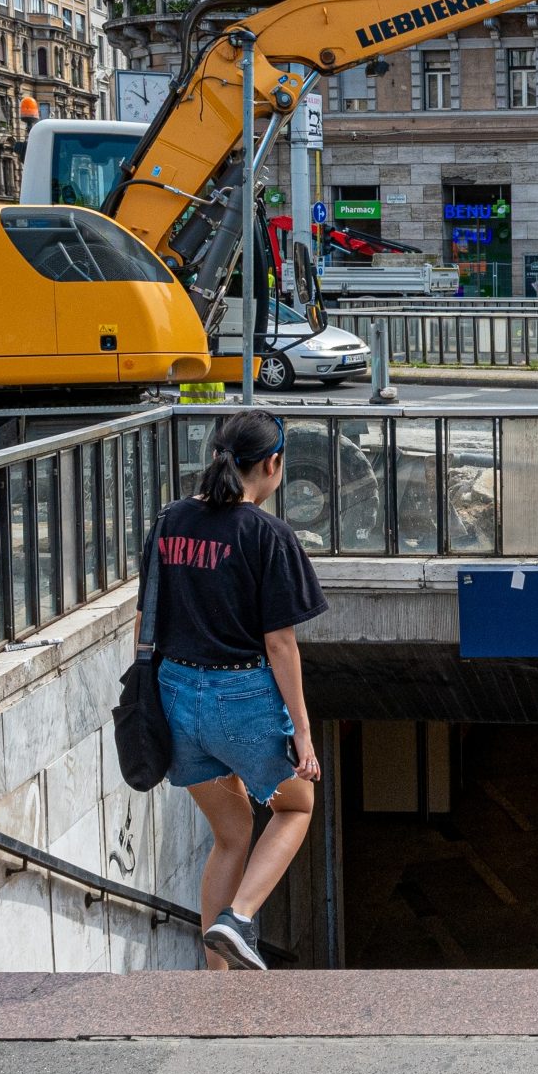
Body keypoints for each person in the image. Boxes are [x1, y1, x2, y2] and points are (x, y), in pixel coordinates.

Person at [151, 411, 327, 971]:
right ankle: (240, 916)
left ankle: (217, 978)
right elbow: (280, 645)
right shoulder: (268, 535)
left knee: (230, 835)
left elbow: (144, 620)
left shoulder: (171, 520)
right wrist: (303, 733)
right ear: (273, 465)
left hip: (175, 695)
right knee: (296, 807)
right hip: (241, 699)